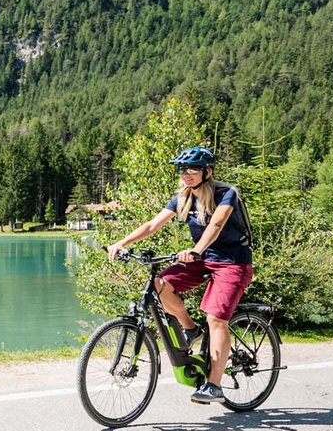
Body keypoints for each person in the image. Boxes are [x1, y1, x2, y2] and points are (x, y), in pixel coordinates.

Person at [107, 146, 255, 404]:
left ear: (207, 172)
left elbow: (217, 224)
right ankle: (190, 328)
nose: (186, 174)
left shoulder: (226, 193)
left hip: (232, 262)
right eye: (182, 170)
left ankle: (214, 385)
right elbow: (152, 225)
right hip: (204, 259)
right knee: (159, 284)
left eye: (192, 169)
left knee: (216, 318)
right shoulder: (183, 198)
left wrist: (196, 250)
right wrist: (122, 243)